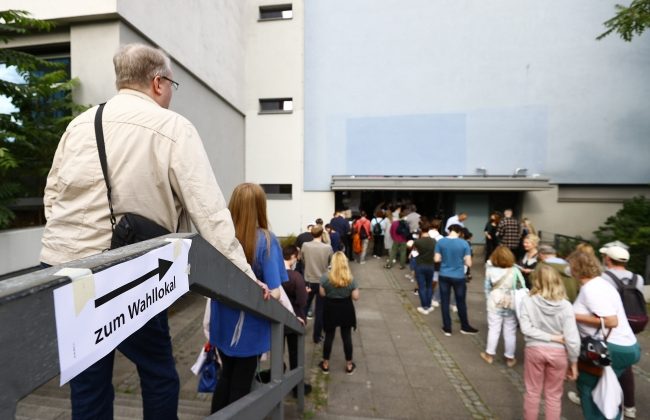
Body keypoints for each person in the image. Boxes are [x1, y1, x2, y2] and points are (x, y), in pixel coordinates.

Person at [40, 43, 259, 420]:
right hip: (128, 273)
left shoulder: (79, 124)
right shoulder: (172, 127)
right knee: (159, 375)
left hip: (66, 271)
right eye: (172, 83)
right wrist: (247, 281)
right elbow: (209, 214)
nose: (171, 92)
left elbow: (52, 196)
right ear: (158, 82)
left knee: (88, 383)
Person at [210, 183, 285, 413]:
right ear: (260, 207)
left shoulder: (219, 238)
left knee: (226, 377)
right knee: (241, 385)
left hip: (222, 323)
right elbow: (275, 291)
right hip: (249, 329)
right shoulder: (267, 240)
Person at [569, 251, 640, 420]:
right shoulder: (600, 284)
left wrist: (571, 315)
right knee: (606, 391)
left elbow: (611, 321)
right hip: (624, 345)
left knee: (590, 390)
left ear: (576, 268)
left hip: (611, 347)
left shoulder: (591, 289)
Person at [519, 264, 580, 420]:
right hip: (558, 353)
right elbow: (572, 338)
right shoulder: (566, 306)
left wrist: (548, 337)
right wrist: (573, 362)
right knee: (553, 395)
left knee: (532, 392)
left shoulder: (527, 300)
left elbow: (525, 329)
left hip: (534, 349)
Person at [599, 242, 645, 419]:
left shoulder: (604, 277)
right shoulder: (638, 278)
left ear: (608, 259)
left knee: (604, 361)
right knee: (626, 366)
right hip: (633, 323)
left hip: (612, 324)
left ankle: (602, 400)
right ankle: (630, 406)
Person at [480, 246, 523, 367]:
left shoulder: (490, 270)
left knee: (494, 328)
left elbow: (487, 287)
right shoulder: (515, 270)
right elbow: (521, 286)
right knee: (510, 330)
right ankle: (510, 357)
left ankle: (489, 354)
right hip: (511, 301)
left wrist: (489, 298)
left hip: (494, 301)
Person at [318, 251, 360, 375]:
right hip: (346, 308)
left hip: (330, 308)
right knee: (346, 337)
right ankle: (349, 365)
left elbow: (322, 294)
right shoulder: (350, 278)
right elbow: (356, 297)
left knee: (329, 336)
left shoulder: (325, 277)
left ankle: (325, 364)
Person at [434, 224, 479, 336]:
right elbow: (469, 263)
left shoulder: (441, 242)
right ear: (460, 232)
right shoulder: (464, 243)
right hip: (458, 276)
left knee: (445, 301)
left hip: (444, 275)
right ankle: (464, 326)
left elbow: (436, 259)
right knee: (460, 302)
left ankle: (447, 328)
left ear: (449, 231)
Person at [281, 245, 312, 397]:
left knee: (277, 353)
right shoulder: (295, 277)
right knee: (295, 355)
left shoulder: (273, 274)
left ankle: (278, 382)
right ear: (293, 256)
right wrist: (305, 292)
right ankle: (296, 388)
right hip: (295, 320)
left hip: (277, 320)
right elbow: (302, 301)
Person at [302, 225, 334, 343]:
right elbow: (331, 263)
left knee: (304, 306)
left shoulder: (305, 246)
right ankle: (317, 336)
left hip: (309, 280)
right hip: (322, 281)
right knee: (320, 310)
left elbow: (303, 260)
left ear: (312, 233)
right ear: (322, 233)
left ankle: (300, 329)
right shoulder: (327, 247)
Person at [413, 221, 437, 314]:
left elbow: (415, 252)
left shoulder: (418, 241)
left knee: (422, 286)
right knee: (429, 286)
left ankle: (424, 306)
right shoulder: (434, 241)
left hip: (420, 265)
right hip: (431, 265)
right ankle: (429, 304)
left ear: (421, 230)